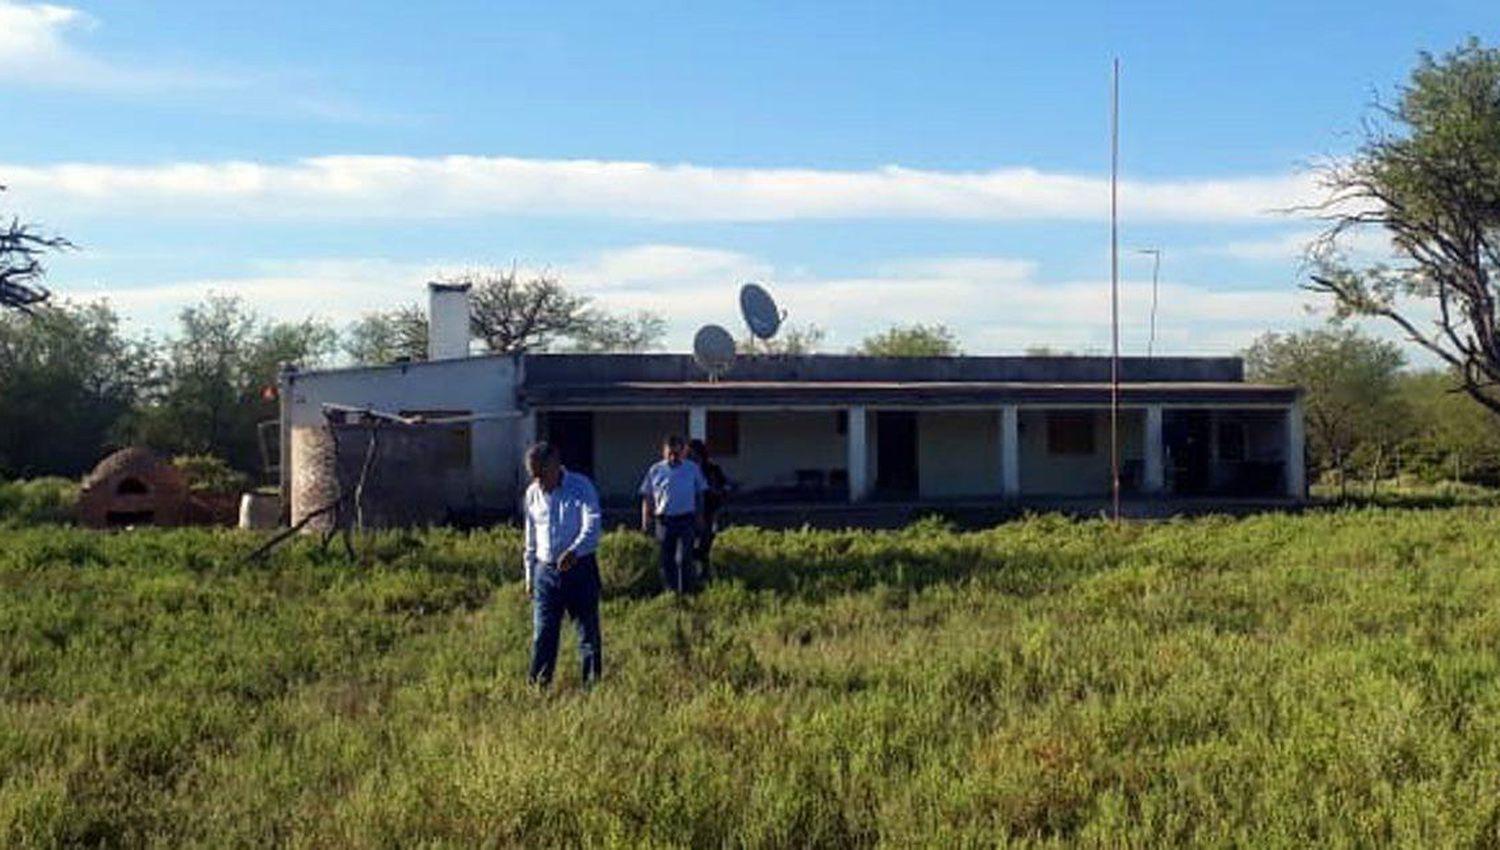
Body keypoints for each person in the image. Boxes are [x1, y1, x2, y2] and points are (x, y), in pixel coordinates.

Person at [522, 441, 602, 686]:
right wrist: (529, 575)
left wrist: (574, 551)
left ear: (555, 464)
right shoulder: (532, 493)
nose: (538, 481)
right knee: (543, 635)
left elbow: (593, 525)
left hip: (580, 569)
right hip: (544, 572)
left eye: (541, 474)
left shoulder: (581, 486)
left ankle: (592, 687)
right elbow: (531, 537)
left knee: (587, 633)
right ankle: (538, 688)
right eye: (533, 475)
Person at [639, 434, 707, 594]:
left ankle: (688, 591)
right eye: (669, 453)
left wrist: (700, 517)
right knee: (666, 559)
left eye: (676, 453)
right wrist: (645, 520)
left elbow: (699, 494)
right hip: (664, 521)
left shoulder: (692, 469)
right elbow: (647, 496)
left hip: (686, 519)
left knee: (685, 558)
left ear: (683, 452)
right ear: (664, 452)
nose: (672, 457)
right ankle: (671, 592)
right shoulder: (655, 470)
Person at [686, 438, 728, 581]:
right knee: (688, 547)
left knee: (705, 545)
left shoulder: (712, 469)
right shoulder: (685, 470)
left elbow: (722, 488)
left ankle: (704, 575)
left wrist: (712, 490)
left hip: (708, 511)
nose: (693, 457)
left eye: (695, 454)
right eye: (690, 454)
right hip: (688, 512)